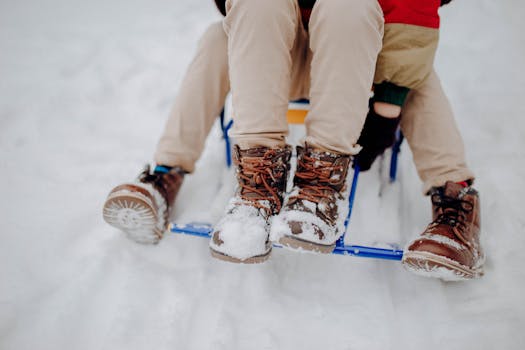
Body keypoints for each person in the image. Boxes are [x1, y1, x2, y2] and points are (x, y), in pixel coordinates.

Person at [103, 0, 483, 280]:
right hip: (279, 47)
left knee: (406, 60)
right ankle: (177, 176)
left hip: (358, 48)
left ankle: (452, 202)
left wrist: (389, 104)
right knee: (222, 34)